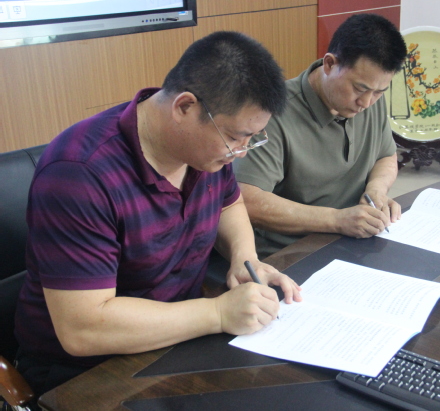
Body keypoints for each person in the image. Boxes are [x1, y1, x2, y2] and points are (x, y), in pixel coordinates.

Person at [13, 31, 302, 402]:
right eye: (236, 137)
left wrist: (245, 259)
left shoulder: (207, 152)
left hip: (180, 340)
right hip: (87, 374)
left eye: (252, 138)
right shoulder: (79, 173)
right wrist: (216, 314)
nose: (242, 151)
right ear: (184, 107)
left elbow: (229, 204)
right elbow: (82, 329)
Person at [233, 14, 408, 257]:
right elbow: (247, 200)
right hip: (287, 252)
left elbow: (385, 156)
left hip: (352, 240)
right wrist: (336, 220)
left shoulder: (370, 99)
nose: (366, 102)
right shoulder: (273, 113)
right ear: (329, 64)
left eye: (379, 92)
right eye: (359, 88)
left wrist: (376, 190)